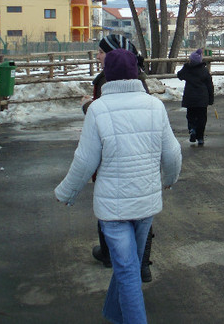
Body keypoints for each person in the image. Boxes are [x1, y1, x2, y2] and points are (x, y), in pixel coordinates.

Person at [55, 49, 182, 324]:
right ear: (136, 73)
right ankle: (115, 315)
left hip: (112, 209)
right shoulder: (154, 105)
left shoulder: (98, 109)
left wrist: (67, 192)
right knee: (129, 267)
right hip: (146, 203)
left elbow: (85, 160)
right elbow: (171, 151)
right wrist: (170, 179)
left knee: (126, 270)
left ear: (107, 75)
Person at [82, 34, 155, 282]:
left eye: (102, 52)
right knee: (141, 208)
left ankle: (110, 255)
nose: (98, 55)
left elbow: (103, 116)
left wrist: (87, 107)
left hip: (114, 156)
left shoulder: (108, 79)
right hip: (139, 155)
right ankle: (141, 263)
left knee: (110, 209)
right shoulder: (139, 77)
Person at [177, 48, 215, 146]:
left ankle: (192, 130)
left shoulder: (187, 70)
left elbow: (179, 75)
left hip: (190, 99)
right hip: (202, 99)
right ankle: (200, 137)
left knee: (191, 116)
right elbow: (210, 86)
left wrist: (186, 66)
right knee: (202, 118)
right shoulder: (204, 70)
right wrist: (211, 99)